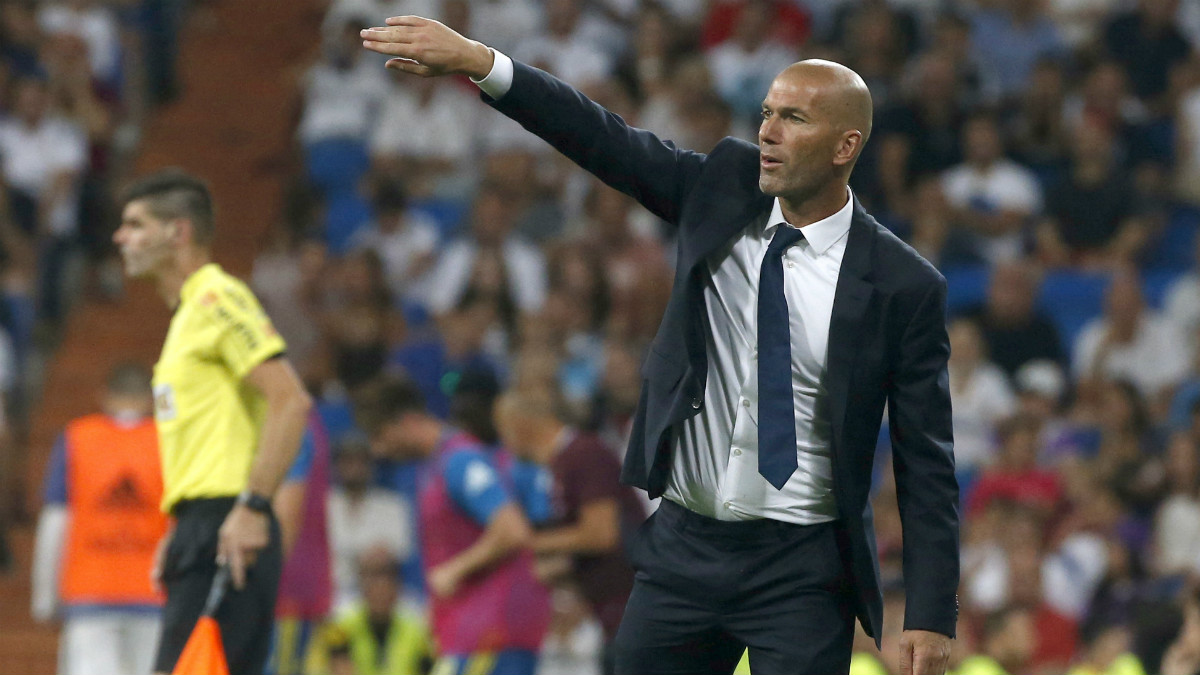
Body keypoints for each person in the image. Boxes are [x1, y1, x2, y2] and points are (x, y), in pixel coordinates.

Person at [361, 17, 959, 675]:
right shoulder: (723, 189)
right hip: (684, 548)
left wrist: (930, 611)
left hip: (803, 567)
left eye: (793, 118)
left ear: (846, 145)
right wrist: (481, 62)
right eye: (766, 113)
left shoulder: (902, 284)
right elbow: (601, 137)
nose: (767, 131)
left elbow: (924, 457)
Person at [112, 169, 313, 675]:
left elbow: (290, 400)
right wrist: (181, 530)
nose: (121, 237)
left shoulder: (216, 297)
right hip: (202, 526)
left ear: (177, 232)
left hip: (228, 524)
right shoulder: (185, 318)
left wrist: (252, 506)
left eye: (135, 224)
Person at [370, 378, 550, 675]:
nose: (378, 449)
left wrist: (456, 569)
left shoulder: (461, 461)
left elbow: (512, 530)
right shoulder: (436, 465)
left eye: (380, 434)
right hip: (469, 632)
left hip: (490, 631)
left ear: (407, 421)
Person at [31, 362, 169, 675]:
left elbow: (55, 521)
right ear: (149, 399)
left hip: (89, 588)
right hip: (153, 591)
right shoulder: (167, 441)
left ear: (104, 396)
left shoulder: (77, 437)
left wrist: (45, 594)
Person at [494, 388, 639, 674]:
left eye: (504, 431)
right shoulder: (563, 464)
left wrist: (528, 542)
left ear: (521, 425)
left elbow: (602, 534)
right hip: (609, 614)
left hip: (629, 610)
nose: (505, 444)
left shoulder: (583, 454)